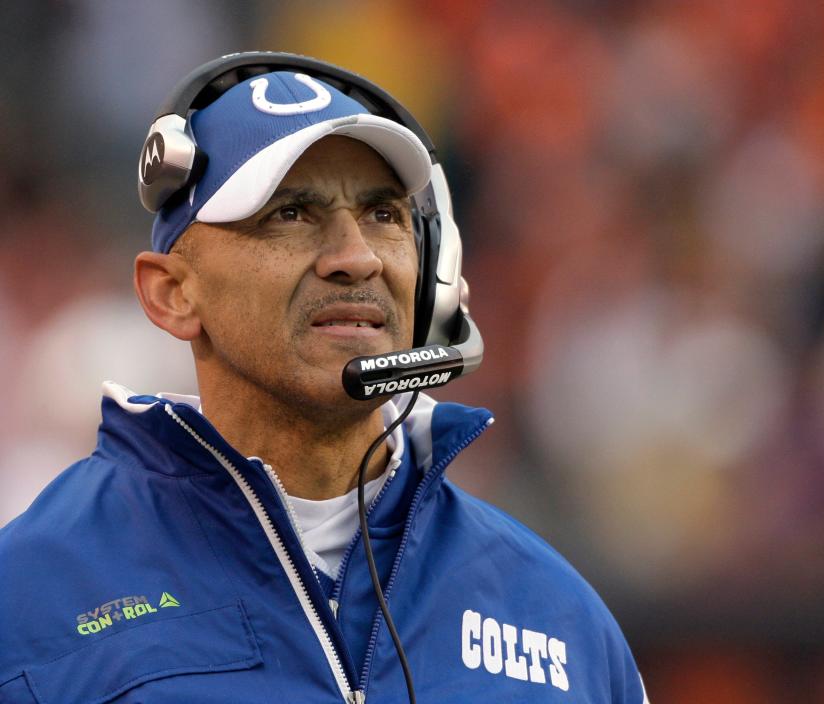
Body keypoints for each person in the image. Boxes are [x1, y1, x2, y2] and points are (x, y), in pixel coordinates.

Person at [0, 52, 647, 704]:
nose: (355, 257)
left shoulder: (562, 620)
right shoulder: (27, 601)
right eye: (291, 213)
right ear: (172, 293)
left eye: (383, 214)